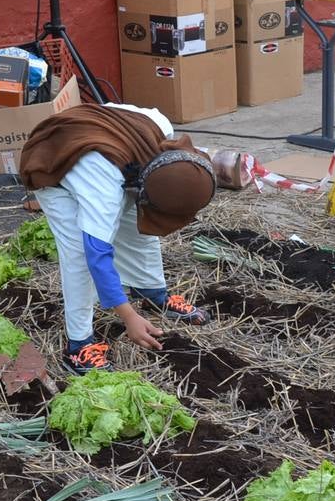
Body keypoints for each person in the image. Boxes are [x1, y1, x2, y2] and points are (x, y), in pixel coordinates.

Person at [19, 102, 215, 374]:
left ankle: (151, 292)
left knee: (139, 223)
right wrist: (128, 317)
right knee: (77, 252)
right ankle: (79, 346)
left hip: (103, 146)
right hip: (53, 163)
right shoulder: (104, 190)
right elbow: (96, 255)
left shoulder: (163, 132)